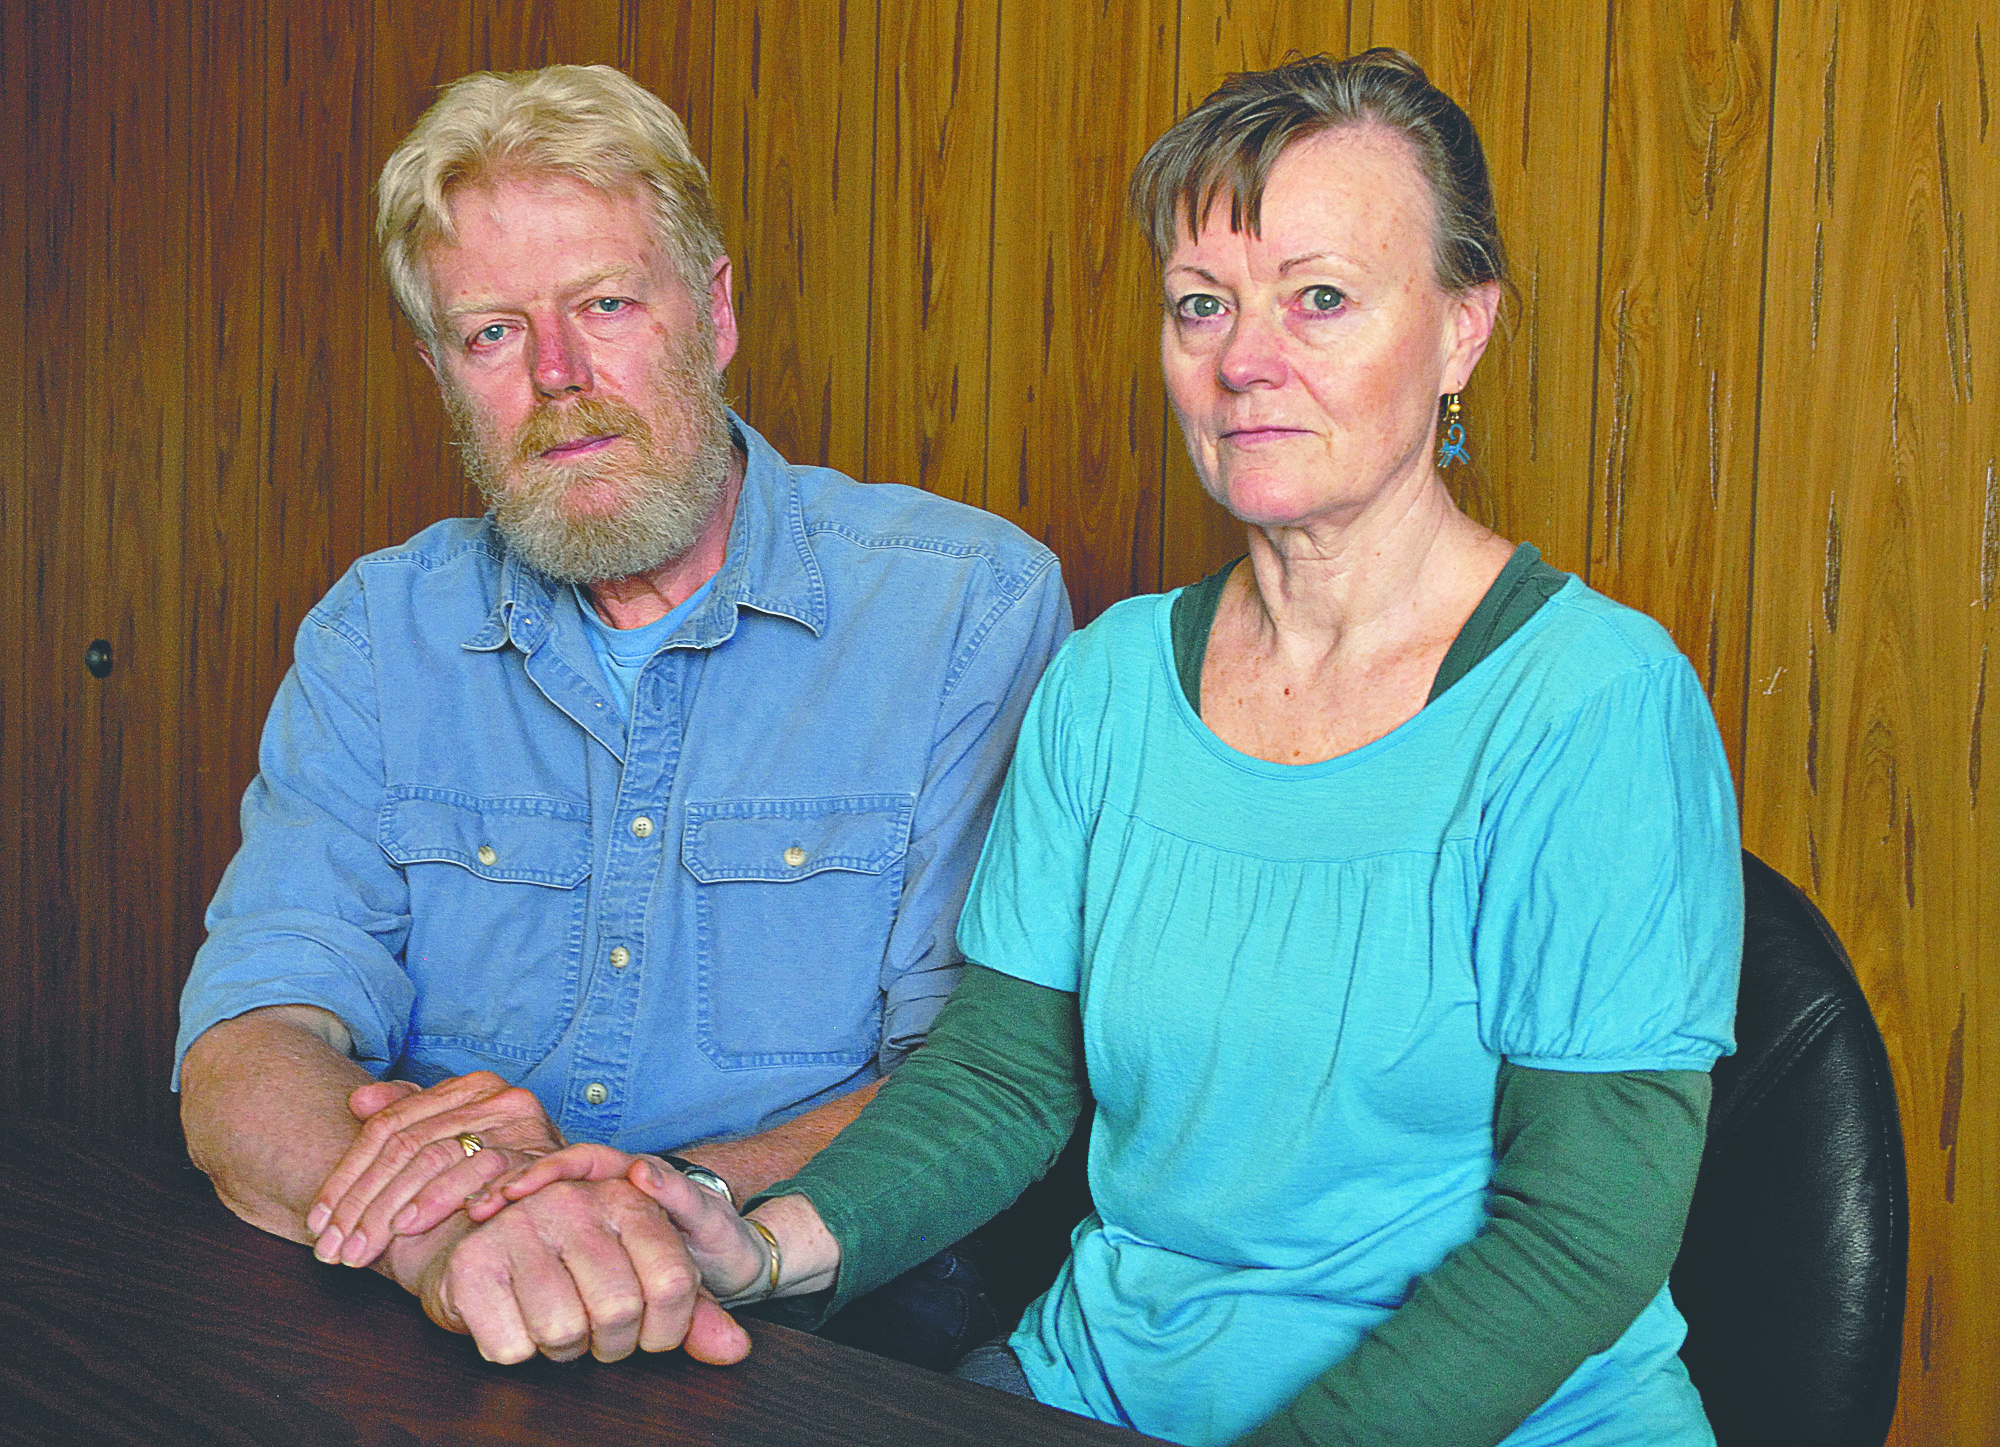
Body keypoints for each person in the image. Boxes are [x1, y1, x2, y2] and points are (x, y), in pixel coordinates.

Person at [477, 48, 1742, 1446]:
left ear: (1462, 330)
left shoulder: (1593, 699)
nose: (1245, 362)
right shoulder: (1111, 681)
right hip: (1096, 1390)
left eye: (1320, 298)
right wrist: (764, 1243)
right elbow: (1007, 1078)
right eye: (1203, 305)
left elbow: (1583, 1232)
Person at [174, 63, 1070, 1369]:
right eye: (491, 332)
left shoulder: (965, 609)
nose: (555, 373)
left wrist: (661, 1204)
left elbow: (977, 1078)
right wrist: (460, 1239)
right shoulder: (376, 632)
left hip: (816, 1333)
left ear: (712, 314)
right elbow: (252, 1039)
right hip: (441, 1327)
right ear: (441, 373)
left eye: (604, 305)